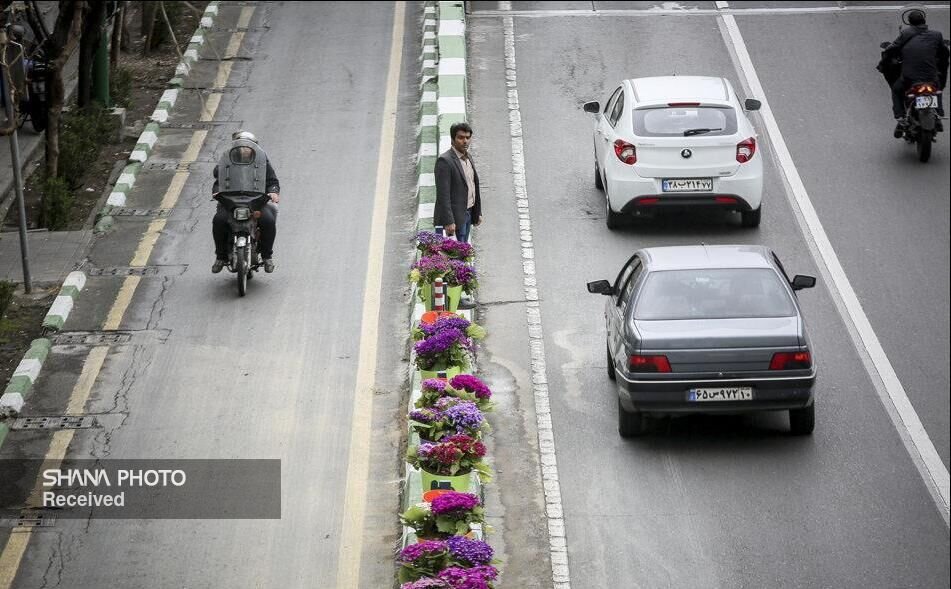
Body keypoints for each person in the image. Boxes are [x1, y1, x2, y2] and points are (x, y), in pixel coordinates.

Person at [211, 131, 280, 273]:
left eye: (247, 146)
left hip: (255, 201)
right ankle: (220, 257)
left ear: (253, 147)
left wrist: (273, 191)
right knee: (219, 220)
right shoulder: (227, 159)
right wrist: (217, 191)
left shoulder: (261, 161)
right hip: (230, 201)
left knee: (268, 220)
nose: (244, 149)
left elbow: (272, 180)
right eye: (240, 145)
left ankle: (267, 257)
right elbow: (219, 179)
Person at [881, 9, 950, 136]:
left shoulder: (906, 33)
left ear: (910, 23)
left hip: (910, 77)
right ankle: (939, 114)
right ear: (924, 21)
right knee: (938, 88)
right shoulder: (937, 35)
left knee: (896, 89)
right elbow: (944, 53)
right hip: (931, 76)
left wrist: (885, 58)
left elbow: (893, 48)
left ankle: (900, 116)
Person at [434, 122, 482, 244]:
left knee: (463, 249)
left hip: (468, 213)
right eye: (460, 137)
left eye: (467, 137)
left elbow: (473, 185)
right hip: (455, 218)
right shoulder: (445, 161)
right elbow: (443, 195)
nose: (465, 141)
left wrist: (477, 212)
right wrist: (449, 221)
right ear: (452, 139)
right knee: (456, 254)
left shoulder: (468, 157)